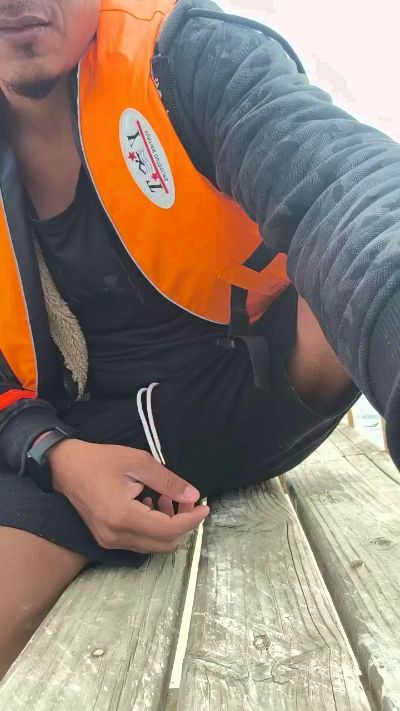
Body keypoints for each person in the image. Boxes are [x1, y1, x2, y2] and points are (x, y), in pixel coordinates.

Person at [0, 0, 399, 677]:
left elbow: (344, 188)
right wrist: (57, 455)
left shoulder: (188, 57)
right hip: (75, 437)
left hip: (248, 386)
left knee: (342, 271)